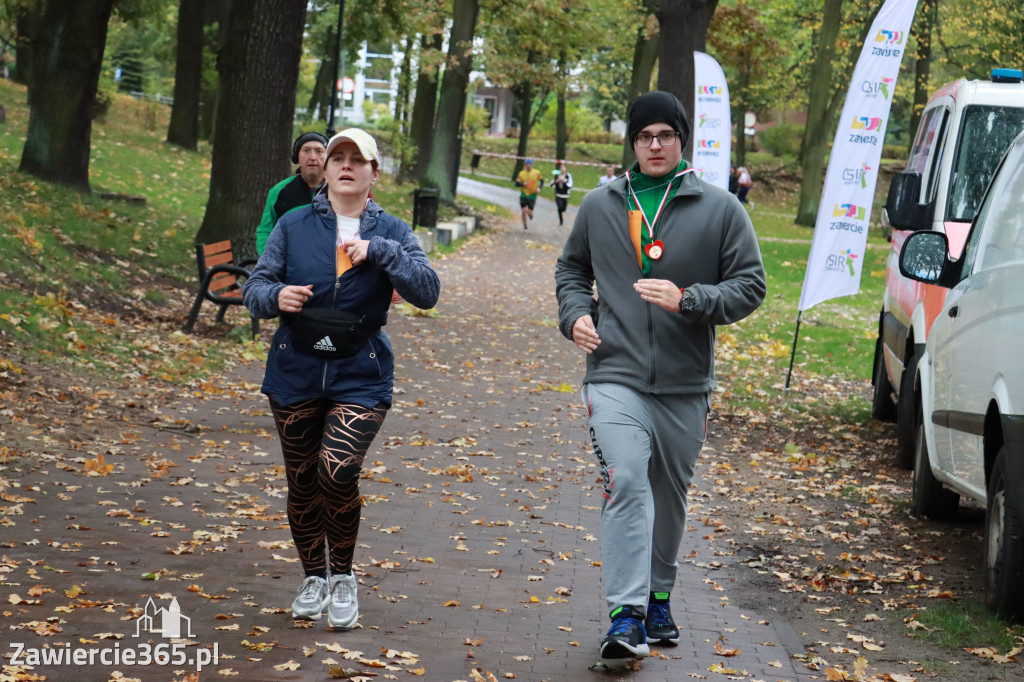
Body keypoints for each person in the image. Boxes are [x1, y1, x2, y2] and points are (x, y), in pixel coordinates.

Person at [554, 91, 766, 668]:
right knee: (626, 480)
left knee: (669, 497)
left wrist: (690, 299)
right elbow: (572, 267)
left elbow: (750, 285)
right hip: (614, 371)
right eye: (644, 136)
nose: (654, 144)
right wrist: (573, 313)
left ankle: (658, 596)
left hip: (684, 383)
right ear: (633, 142)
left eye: (665, 136)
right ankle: (626, 615)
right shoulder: (600, 205)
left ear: (681, 141)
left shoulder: (721, 209)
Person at [243, 128, 440, 630]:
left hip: (361, 372)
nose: (347, 165)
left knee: (336, 470)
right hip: (295, 370)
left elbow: (428, 292)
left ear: (374, 173)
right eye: (338, 157)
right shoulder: (292, 224)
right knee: (302, 480)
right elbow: (256, 287)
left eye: (359, 159)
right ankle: (314, 577)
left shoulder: (392, 230)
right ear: (324, 169)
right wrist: (276, 297)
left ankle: (343, 578)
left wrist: (383, 254)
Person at [256, 131, 328, 254]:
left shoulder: (339, 190)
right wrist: (269, 260)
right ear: (297, 157)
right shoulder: (279, 191)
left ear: (328, 157)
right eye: (306, 150)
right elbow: (265, 230)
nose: (312, 157)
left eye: (319, 151)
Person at [515, 158, 543, 229]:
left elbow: (542, 181)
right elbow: (517, 184)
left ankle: (530, 215)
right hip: (524, 194)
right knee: (523, 211)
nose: (528, 166)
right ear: (525, 165)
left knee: (529, 212)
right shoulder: (521, 173)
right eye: (527, 165)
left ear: (532, 165)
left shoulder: (536, 172)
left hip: (532, 195)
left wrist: (539, 188)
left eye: (529, 165)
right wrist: (523, 184)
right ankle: (525, 226)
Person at [551, 160, 573, 226]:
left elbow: (570, 185)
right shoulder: (557, 175)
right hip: (558, 194)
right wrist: (556, 181)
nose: (562, 169)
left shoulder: (568, 176)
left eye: (563, 167)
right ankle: (561, 221)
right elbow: (551, 183)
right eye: (561, 167)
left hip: (565, 195)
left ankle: (561, 215)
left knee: (563, 209)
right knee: (560, 207)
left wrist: (564, 181)